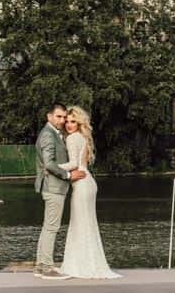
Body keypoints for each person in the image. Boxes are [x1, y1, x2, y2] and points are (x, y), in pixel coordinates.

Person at [57, 106, 120, 279]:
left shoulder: (72, 138)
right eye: (67, 121)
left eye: (73, 121)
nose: (69, 125)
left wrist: (51, 168)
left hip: (82, 184)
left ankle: (81, 266)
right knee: (86, 224)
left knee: (80, 224)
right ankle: (88, 263)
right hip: (88, 182)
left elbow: (73, 165)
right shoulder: (83, 137)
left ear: (79, 123)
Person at [34, 103, 86, 279]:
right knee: (51, 228)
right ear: (49, 117)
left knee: (47, 227)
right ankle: (47, 268)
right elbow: (49, 164)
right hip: (53, 187)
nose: (63, 120)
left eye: (64, 117)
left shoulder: (54, 134)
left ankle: (40, 265)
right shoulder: (48, 135)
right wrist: (68, 175)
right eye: (59, 116)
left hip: (52, 187)